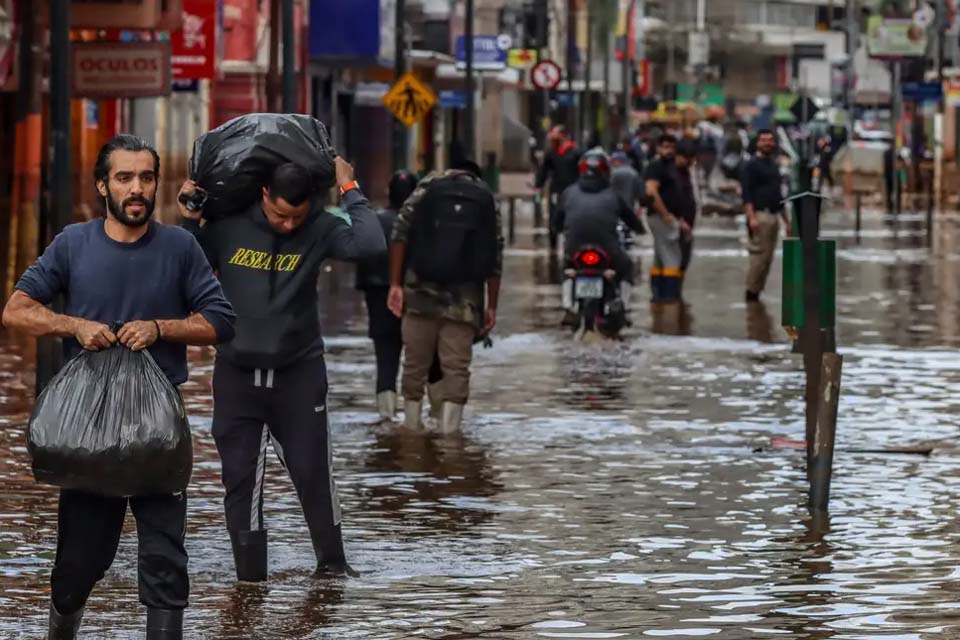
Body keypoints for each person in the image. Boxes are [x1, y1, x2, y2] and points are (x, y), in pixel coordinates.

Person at [2, 134, 236, 640]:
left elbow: (220, 321)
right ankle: (61, 628)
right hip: (88, 431)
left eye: (146, 178)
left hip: (158, 431)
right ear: (102, 185)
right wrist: (75, 325)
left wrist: (160, 327)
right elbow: (16, 310)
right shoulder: (72, 243)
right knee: (78, 565)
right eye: (125, 178)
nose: (137, 189)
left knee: (165, 558)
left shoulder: (180, 246)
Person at [177, 157, 385, 582]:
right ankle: (250, 583)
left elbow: (371, 246)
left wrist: (350, 188)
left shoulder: (321, 227)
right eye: (279, 214)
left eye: (297, 215)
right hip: (236, 374)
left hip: (299, 374)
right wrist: (190, 217)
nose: (288, 225)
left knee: (313, 474)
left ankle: (332, 569)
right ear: (264, 195)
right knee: (241, 481)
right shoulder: (228, 224)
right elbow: (182, 265)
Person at [387, 160, 503, 433]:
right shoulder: (486, 197)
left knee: (414, 366)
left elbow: (399, 233)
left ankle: (412, 433)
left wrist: (395, 284)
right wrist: (492, 307)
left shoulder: (428, 186)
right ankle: (450, 441)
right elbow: (495, 255)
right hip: (465, 301)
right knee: (456, 369)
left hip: (420, 294)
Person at [355, 171, 443, 421]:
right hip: (419, 298)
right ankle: (437, 418)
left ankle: (386, 419)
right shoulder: (427, 224)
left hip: (379, 297)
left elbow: (362, 261)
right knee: (431, 359)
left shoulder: (373, 221)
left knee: (386, 359)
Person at [555, 149, 645, 319]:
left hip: (574, 249)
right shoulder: (613, 195)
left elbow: (557, 222)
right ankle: (623, 307)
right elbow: (631, 219)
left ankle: (567, 305)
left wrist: (559, 229)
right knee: (626, 267)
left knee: (567, 267)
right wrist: (640, 229)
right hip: (608, 249)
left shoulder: (568, 193)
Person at [741, 128, 788, 302]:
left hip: (774, 216)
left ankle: (757, 294)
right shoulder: (751, 165)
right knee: (759, 258)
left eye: (770, 140)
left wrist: (786, 221)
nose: (768, 143)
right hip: (759, 216)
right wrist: (751, 217)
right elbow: (746, 193)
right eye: (764, 140)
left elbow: (778, 195)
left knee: (768, 258)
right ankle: (750, 293)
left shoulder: (774, 164)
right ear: (757, 143)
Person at [644, 134, 692, 302]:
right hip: (661, 217)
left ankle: (658, 294)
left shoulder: (671, 166)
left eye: (672, 147)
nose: (669, 150)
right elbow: (651, 191)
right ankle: (669, 296)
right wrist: (666, 215)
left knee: (660, 256)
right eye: (665, 147)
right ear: (658, 148)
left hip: (670, 217)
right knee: (673, 257)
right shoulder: (656, 166)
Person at [535, 125, 581, 251]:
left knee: (571, 216)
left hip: (572, 189)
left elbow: (581, 171)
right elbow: (544, 171)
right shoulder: (552, 153)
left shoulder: (576, 152)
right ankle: (553, 243)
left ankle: (570, 242)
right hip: (556, 189)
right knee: (554, 215)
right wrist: (539, 185)